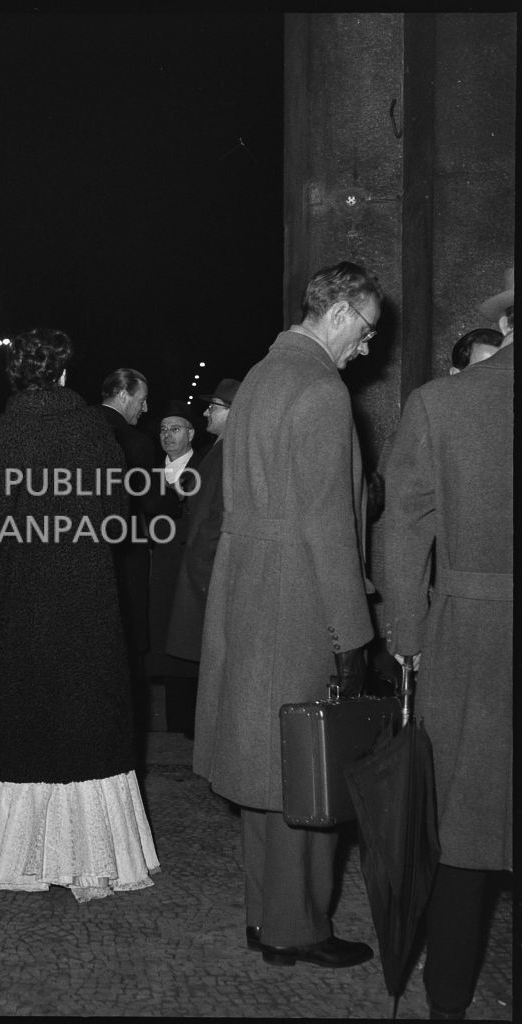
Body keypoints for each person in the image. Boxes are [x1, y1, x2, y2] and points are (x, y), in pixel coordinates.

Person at [195, 261, 380, 968]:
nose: (365, 348)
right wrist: (350, 634)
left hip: (246, 590)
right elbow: (328, 525)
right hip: (298, 595)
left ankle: (262, 918)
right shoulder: (319, 388)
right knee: (310, 768)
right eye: (363, 331)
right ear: (335, 314)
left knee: (262, 769)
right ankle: (298, 928)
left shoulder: (262, 376)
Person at [0, 328, 159, 903]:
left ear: (15, 378)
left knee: (19, 722)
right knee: (85, 721)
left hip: (16, 602)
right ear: (67, 375)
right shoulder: (95, 432)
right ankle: (91, 858)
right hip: (84, 601)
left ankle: (19, 855)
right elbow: (117, 516)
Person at [382, 267, 513, 1020]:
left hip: (467, 638)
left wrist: (407, 638)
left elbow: (402, 530)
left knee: (460, 838)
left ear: (504, 329)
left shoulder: (441, 404)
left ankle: (446, 1007)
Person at [163, 378, 241, 735]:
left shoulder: (228, 452)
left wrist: (199, 566)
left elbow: (216, 516)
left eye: (215, 407)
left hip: (205, 572)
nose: (207, 410)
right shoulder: (220, 448)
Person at [98, 368, 160, 757]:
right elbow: (153, 507)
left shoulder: (80, 430)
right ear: (123, 395)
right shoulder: (136, 443)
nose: (145, 407)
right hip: (127, 559)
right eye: (141, 399)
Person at [145, 401, 199, 728]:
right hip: (161, 568)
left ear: (191, 434)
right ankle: (173, 722)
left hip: (191, 566)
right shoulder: (148, 473)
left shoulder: (205, 468)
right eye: (163, 429)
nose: (167, 435)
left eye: (175, 428)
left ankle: (189, 722)